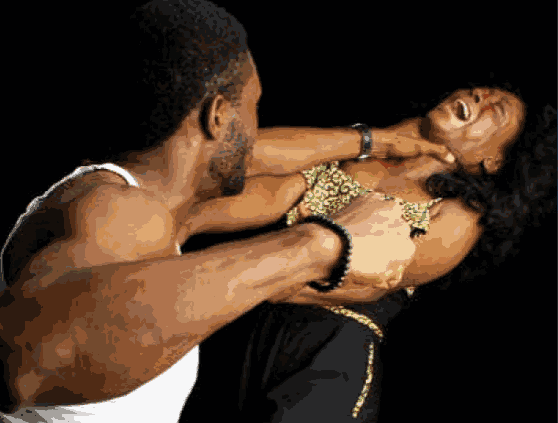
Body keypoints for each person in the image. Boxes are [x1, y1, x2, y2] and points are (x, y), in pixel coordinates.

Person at [0, 1, 456, 422]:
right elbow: (29, 360)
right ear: (218, 116)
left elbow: (262, 158)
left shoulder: (158, 206)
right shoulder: (113, 210)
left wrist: (376, 142)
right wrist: (322, 244)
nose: (257, 129)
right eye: (254, 107)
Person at [177, 86, 556, 422]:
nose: (479, 96)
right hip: (246, 324)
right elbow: (265, 181)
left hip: (325, 348)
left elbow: (367, 286)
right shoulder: (365, 153)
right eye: (480, 90)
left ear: (494, 160)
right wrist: (182, 222)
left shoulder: (460, 214)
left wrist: (231, 278)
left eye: (495, 109)